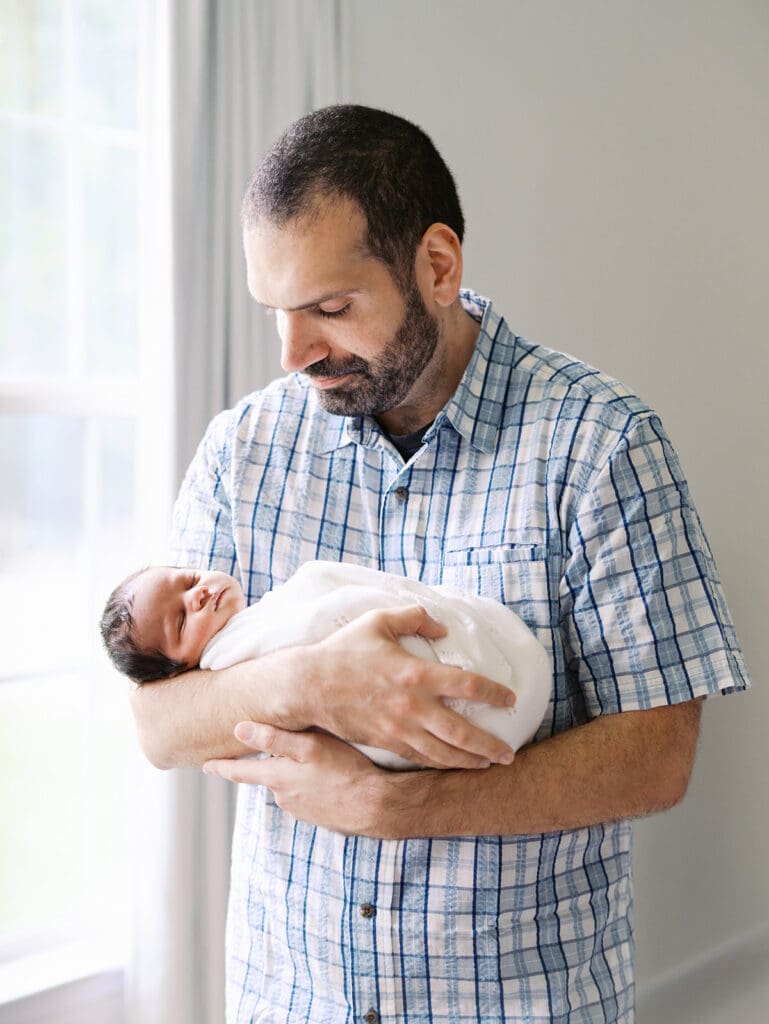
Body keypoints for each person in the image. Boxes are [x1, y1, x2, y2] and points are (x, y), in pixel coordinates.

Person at [129, 105, 751, 1023]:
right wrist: (311, 682)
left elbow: (657, 757)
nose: (295, 354)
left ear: (437, 266)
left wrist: (396, 805)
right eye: (277, 313)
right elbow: (162, 727)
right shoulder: (244, 448)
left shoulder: (602, 445)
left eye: (330, 309)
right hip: (290, 999)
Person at [101, 560, 551, 769]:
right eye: (181, 621)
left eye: (188, 580)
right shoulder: (227, 655)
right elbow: (156, 725)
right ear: (180, 670)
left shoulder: (260, 613)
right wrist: (312, 679)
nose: (196, 595)